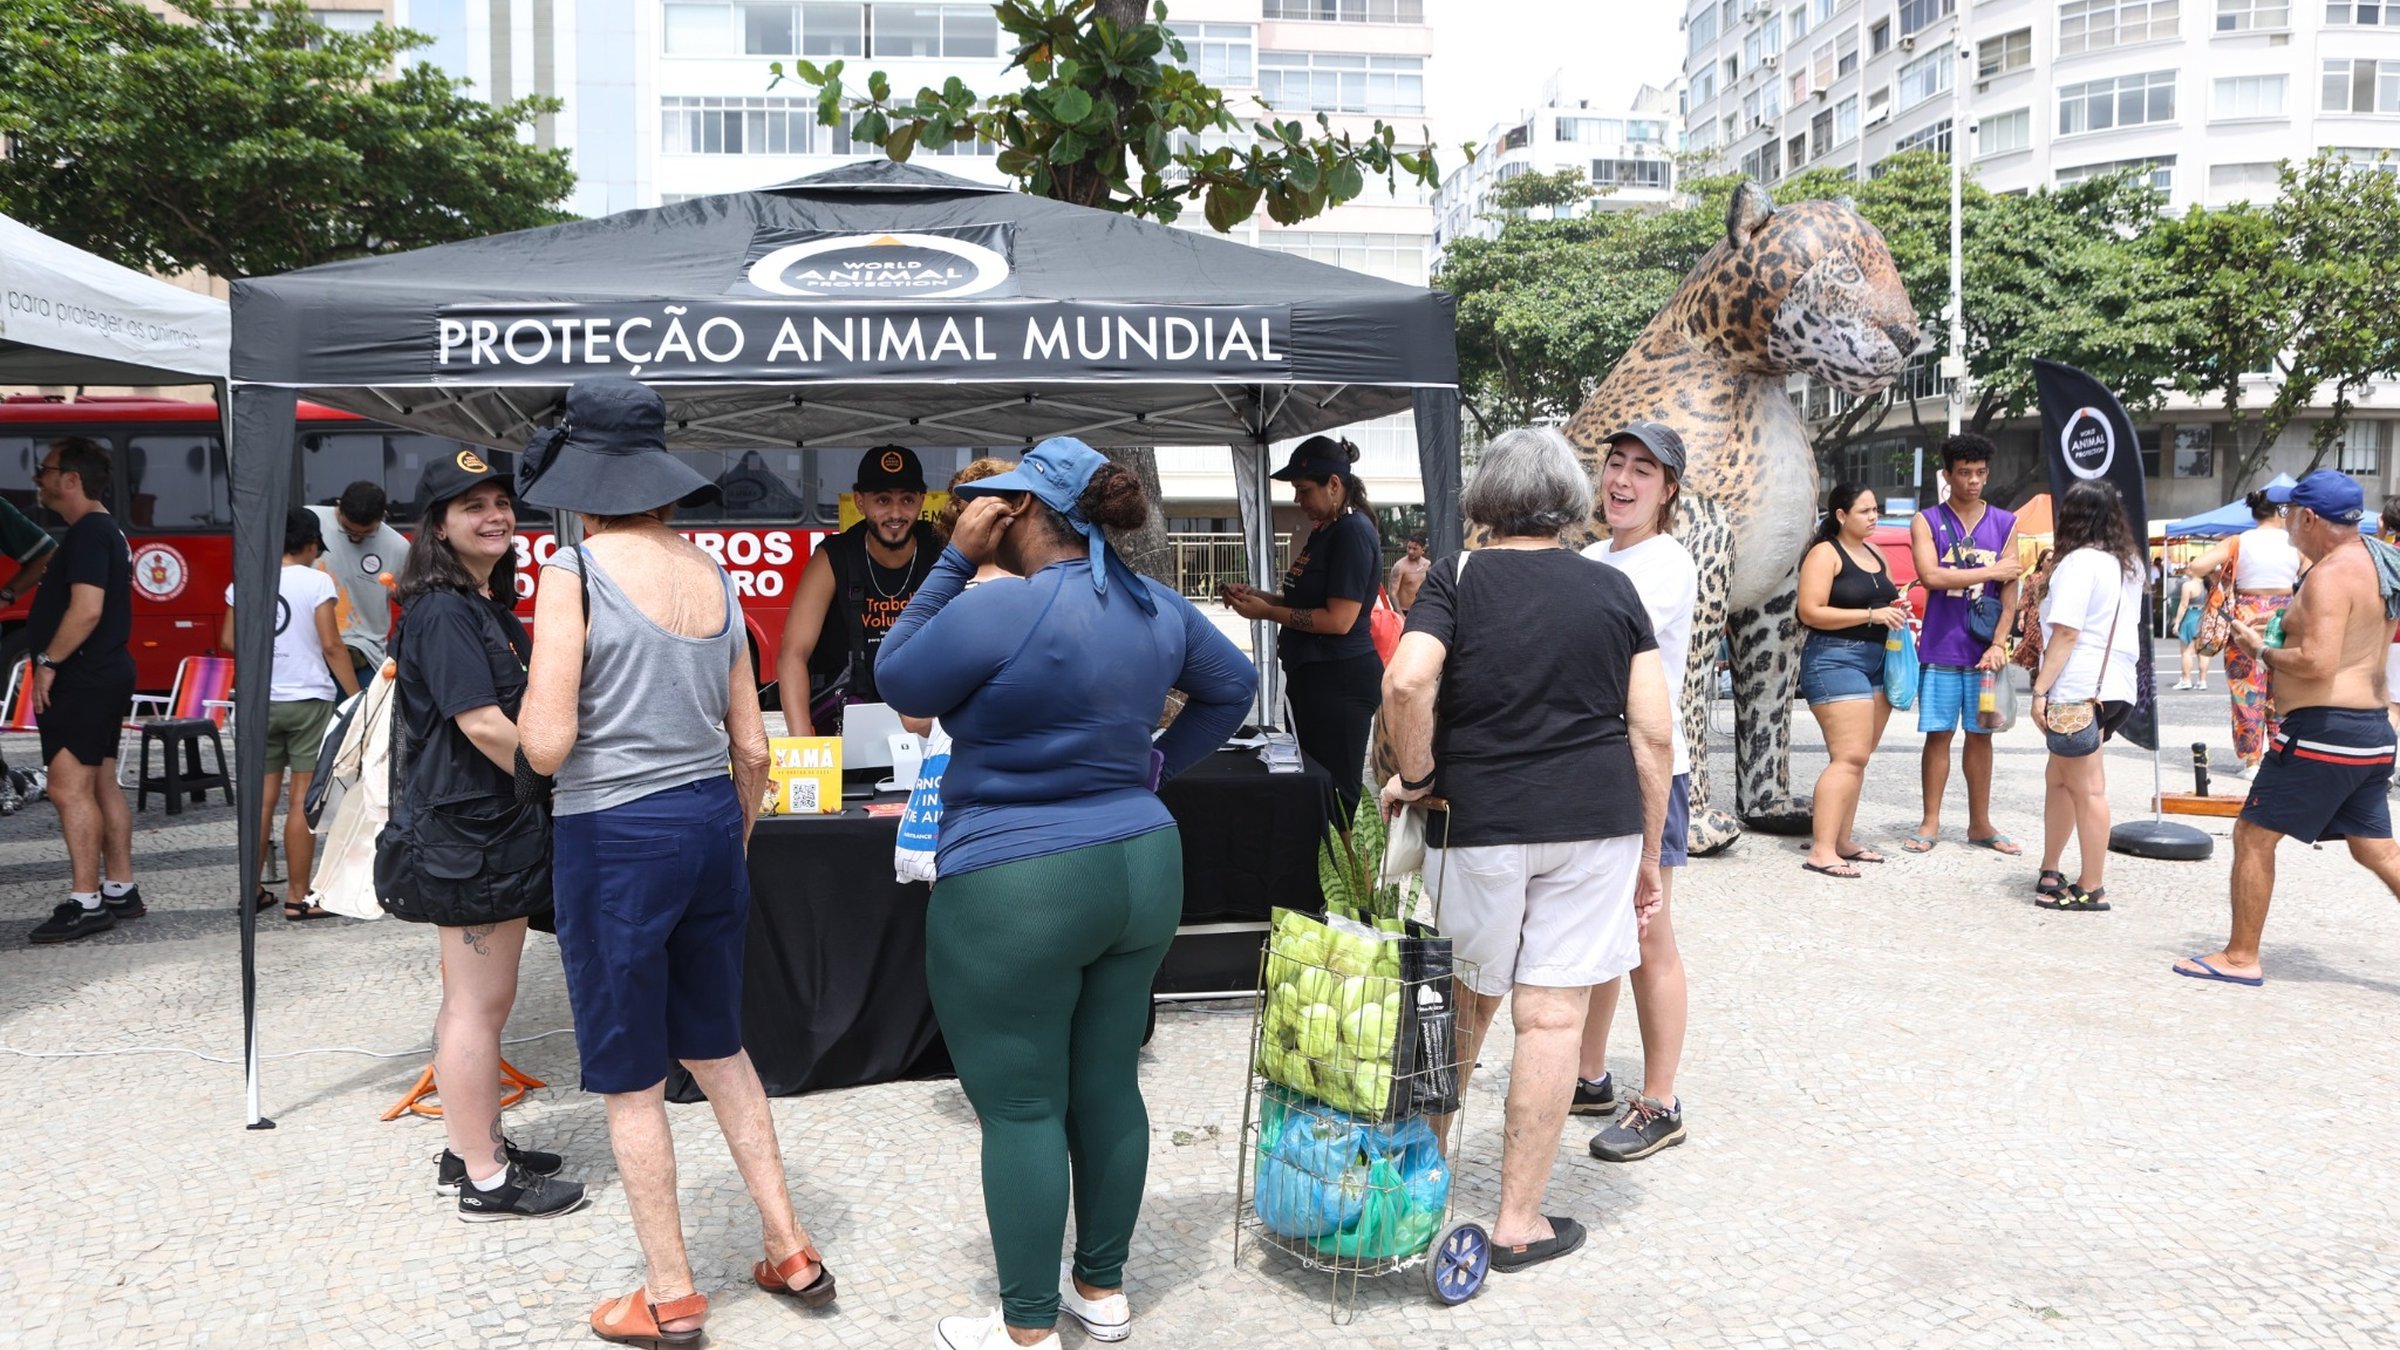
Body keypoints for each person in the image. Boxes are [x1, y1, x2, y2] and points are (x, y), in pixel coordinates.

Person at [877, 437, 1255, 1350]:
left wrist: (956, 556)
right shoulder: (1154, 605)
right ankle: (1104, 1290)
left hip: (1019, 876)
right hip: (1140, 863)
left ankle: (1027, 1330)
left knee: (1019, 1105)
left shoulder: (1002, 606)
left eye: (995, 505)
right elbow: (1234, 685)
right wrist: (1153, 768)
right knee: (1107, 1083)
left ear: (1024, 512)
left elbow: (898, 677)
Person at [515, 380, 833, 1344]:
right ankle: (789, 1247)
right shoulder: (715, 577)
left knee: (628, 1074)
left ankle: (670, 1294)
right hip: (705, 827)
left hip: (615, 836)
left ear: (585, 481)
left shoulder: (574, 572)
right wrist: (726, 844)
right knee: (718, 1044)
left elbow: (545, 745)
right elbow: (755, 748)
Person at [1380, 425, 1672, 1275]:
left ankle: (1411, 1191)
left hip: (1481, 824)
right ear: (1570, 502)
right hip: (1596, 823)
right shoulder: (1613, 590)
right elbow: (1651, 737)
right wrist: (1650, 853)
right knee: (1554, 1017)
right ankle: (1518, 1223)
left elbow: (1405, 678)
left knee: (1463, 1004)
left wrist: (1418, 771)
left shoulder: (1457, 577)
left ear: (1486, 501)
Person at [379, 448, 586, 1220]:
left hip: (485, 831)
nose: (495, 515)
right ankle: (486, 1178)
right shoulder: (441, 610)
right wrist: (560, 784)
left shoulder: (479, 604)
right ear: (438, 525)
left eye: (501, 501)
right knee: (478, 1005)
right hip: (472, 836)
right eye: (473, 506)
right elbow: (483, 724)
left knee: (475, 1001)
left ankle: (473, 1142)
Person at [2175, 472, 2400, 986]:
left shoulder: (2329, 574)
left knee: (2253, 835)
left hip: (2325, 730)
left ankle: (2240, 956)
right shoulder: (2381, 561)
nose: (2287, 526)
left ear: (2309, 518)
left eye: (2291, 515)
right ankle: (2240, 953)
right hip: (2370, 727)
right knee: (2376, 848)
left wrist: (2261, 650)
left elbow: (2317, 663)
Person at [1574, 422, 1696, 1162]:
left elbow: (1597, 650)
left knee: (1649, 934)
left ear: (1668, 489)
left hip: (1651, 770)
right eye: (1615, 464)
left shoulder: (1666, 562)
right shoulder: (1592, 555)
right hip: (1593, 764)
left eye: (1642, 470)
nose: (1622, 480)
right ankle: (1589, 1075)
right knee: (1596, 928)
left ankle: (1661, 1101)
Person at [1223, 436, 1384, 814]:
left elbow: (1339, 620)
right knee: (1310, 784)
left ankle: (1346, 872)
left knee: (1336, 795)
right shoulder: (1325, 530)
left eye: (1303, 490)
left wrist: (1265, 613)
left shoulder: (1353, 532)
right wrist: (1258, 596)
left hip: (1339, 680)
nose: (1298, 500)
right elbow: (1302, 604)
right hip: (1312, 676)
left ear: (1334, 485)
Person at [25, 438, 141, 945]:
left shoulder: (90, 535)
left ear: (71, 479)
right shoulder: (103, 530)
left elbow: (87, 609)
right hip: (106, 671)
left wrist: (49, 662)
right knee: (100, 783)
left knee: (67, 787)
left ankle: (86, 900)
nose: (38, 478)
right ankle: (120, 888)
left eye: (45, 470)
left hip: (84, 676)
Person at [218, 508, 359, 917]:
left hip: (259, 701)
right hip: (308, 702)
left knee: (260, 801)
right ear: (312, 544)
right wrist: (354, 697)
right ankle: (298, 898)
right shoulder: (317, 581)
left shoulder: (246, 577)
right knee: (300, 801)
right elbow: (332, 645)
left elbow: (229, 639)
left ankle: (254, 891)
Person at [2029, 482, 2145, 913]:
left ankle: (2092, 886)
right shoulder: (2128, 564)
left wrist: (2040, 689)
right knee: (2060, 779)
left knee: (2088, 789)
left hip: (2078, 687)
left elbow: (2067, 632)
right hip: (2115, 686)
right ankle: (2051, 866)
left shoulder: (2078, 563)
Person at [1905, 434, 2024, 855]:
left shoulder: (2006, 523)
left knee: (1981, 736)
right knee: (1938, 735)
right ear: (1947, 474)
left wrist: (1999, 644)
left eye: (1979, 473)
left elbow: (2010, 591)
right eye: (1964, 473)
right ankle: (1930, 821)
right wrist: (1988, 570)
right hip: (1939, 646)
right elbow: (1931, 577)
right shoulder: (1927, 520)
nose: (1973, 481)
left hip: (1983, 652)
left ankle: (1980, 823)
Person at [776, 444, 940, 734]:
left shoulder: (941, 551)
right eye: (882, 500)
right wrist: (803, 744)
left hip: (929, 720)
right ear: (860, 502)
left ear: (922, 501)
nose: (895, 512)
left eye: (907, 499)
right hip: (849, 722)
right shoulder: (834, 556)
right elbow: (793, 653)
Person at [1795, 482, 1907, 879]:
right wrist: (1871, 616)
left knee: (1858, 756)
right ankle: (1822, 850)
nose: (1874, 516)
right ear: (1841, 515)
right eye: (1865, 511)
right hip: (1835, 658)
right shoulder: (1825, 553)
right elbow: (1810, 611)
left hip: (1879, 658)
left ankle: (1842, 839)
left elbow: (1881, 603)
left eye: (1876, 509)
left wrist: (1895, 610)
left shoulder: (1876, 552)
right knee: (1849, 756)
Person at [2185, 491, 2300, 778]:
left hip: (2245, 617)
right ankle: (2281, 755)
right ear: (2280, 512)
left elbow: (2196, 566)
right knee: (2283, 691)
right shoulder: (2295, 541)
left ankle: (2252, 761)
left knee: (2246, 690)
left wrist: (2221, 576)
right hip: (2286, 616)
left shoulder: (2239, 541)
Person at [306, 480, 411, 684]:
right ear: (339, 506)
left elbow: (408, 599)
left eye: (366, 533)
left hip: (365, 652)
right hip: (309, 648)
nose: (355, 537)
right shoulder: (311, 521)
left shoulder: (398, 547)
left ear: (381, 519)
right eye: (348, 530)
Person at [2173, 563, 2211, 691]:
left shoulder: (2188, 585)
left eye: (2189, 567)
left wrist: (2177, 622)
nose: (2187, 569)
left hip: (2190, 616)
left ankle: (2186, 679)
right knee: (2203, 652)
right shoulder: (2209, 584)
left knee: (2187, 652)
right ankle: (2203, 680)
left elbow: (2183, 605)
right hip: (2205, 617)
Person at [1388, 534, 1430, 613]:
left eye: (1415, 549)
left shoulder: (1428, 565)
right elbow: (1392, 594)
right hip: (1404, 611)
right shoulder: (1400, 566)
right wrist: (1400, 615)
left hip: (1422, 610)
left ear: (1423, 550)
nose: (1410, 551)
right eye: (1409, 547)